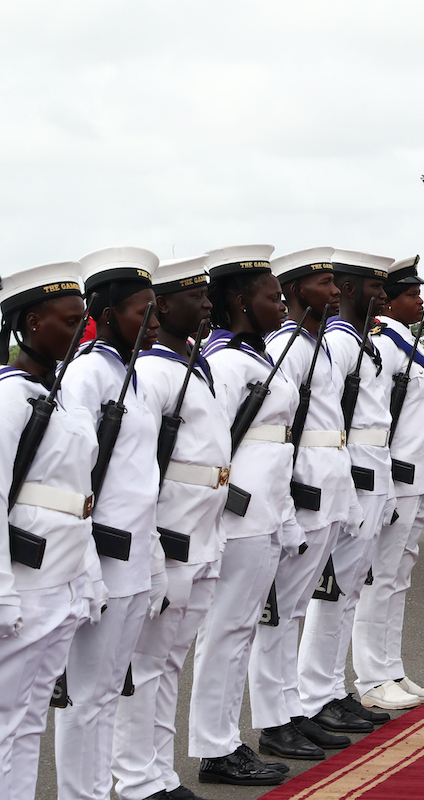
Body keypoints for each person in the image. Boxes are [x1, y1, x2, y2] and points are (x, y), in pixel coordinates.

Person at [113, 256, 232, 800]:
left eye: (209, 296)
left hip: (203, 531)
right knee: (146, 661)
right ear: (161, 306)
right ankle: (135, 777)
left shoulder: (193, 363)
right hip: (172, 533)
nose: (209, 304)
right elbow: (144, 467)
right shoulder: (152, 371)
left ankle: (160, 771)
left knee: (169, 660)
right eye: (195, 297)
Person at [56, 247, 167, 800]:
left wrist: (154, 558)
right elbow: (77, 479)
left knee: (106, 692)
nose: (152, 321)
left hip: (134, 554)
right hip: (98, 556)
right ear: (109, 312)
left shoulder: (134, 374)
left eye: (154, 310)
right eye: (140, 311)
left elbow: (140, 477)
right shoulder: (87, 374)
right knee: (85, 694)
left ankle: (100, 789)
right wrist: (83, 569)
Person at [190, 245, 296, 786]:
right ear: (238, 300)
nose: (281, 304)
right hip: (242, 514)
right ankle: (217, 746)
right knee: (227, 629)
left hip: (266, 509)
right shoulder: (228, 362)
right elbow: (217, 446)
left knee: (239, 629)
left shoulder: (253, 355)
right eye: (270, 296)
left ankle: (224, 739)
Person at [0, 262, 101, 800]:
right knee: (5, 724)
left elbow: (78, 501)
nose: (79, 330)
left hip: (60, 581)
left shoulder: (60, 397)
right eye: (68, 321)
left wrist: (86, 579)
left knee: (30, 719)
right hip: (23, 585)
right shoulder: (8, 398)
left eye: (82, 318)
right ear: (33, 323)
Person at [252, 247, 355, 761]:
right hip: (305, 487)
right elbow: (282, 431)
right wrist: (288, 501)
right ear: (295, 291)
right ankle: (273, 719)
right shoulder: (286, 345)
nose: (336, 291)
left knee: (294, 609)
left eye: (336, 283)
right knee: (279, 612)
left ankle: (292, 709)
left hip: (331, 480)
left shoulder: (318, 343)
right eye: (324, 283)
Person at [295, 249, 395, 734]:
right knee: (330, 593)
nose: (384, 296)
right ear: (353, 290)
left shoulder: (360, 341)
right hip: (350, 473)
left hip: (373, 471)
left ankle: (333, 687)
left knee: (349, 590)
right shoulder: (337, 342)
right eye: (375, 288)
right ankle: (315, 693)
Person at [353, 257, 424, 710]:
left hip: (419, 475)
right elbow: (376, 415)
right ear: (388, 300)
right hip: (398, 476)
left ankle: (390, 667)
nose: (420, 300)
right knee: (379, 578)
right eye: (412, 294)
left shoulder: (405, 341)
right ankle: (370, 676)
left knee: (398, 577)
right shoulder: (383, 344)